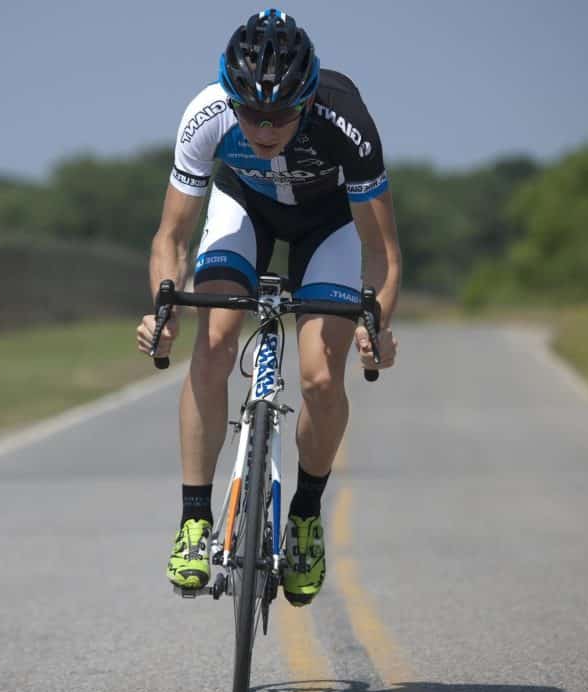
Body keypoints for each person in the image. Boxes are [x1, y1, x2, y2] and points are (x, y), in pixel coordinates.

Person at [136, 8, 400, 607]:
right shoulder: (205, 115)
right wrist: (164, 308)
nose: (264, 127)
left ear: (307, 101)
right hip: (245, 206)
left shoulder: (346, 120)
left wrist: (378, 322)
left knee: (321, 376)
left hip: (326, 220)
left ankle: (305, 515)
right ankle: (195, 520)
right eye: (251, 112)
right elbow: (172, 238)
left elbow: (383, 253)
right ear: (230, 99)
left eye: (280, 114)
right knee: (214, 342)